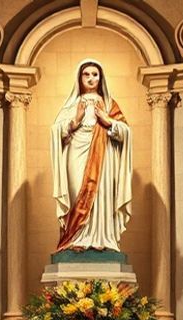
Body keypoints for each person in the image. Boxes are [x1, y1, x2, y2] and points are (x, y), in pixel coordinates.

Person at [50, 59, 132, 252]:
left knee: (101, 193)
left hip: (103, 157)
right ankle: (75, 238)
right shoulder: (71, 105)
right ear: (79, 78)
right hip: (75, 154)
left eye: (95, 74)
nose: (90, 78)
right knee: (76, 190)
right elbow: (56, 132)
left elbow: (126, 132)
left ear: (101, 78)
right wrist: (74, 122)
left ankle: (100, 238)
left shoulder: (110, 104)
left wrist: (108, 121)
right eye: (86, 74)